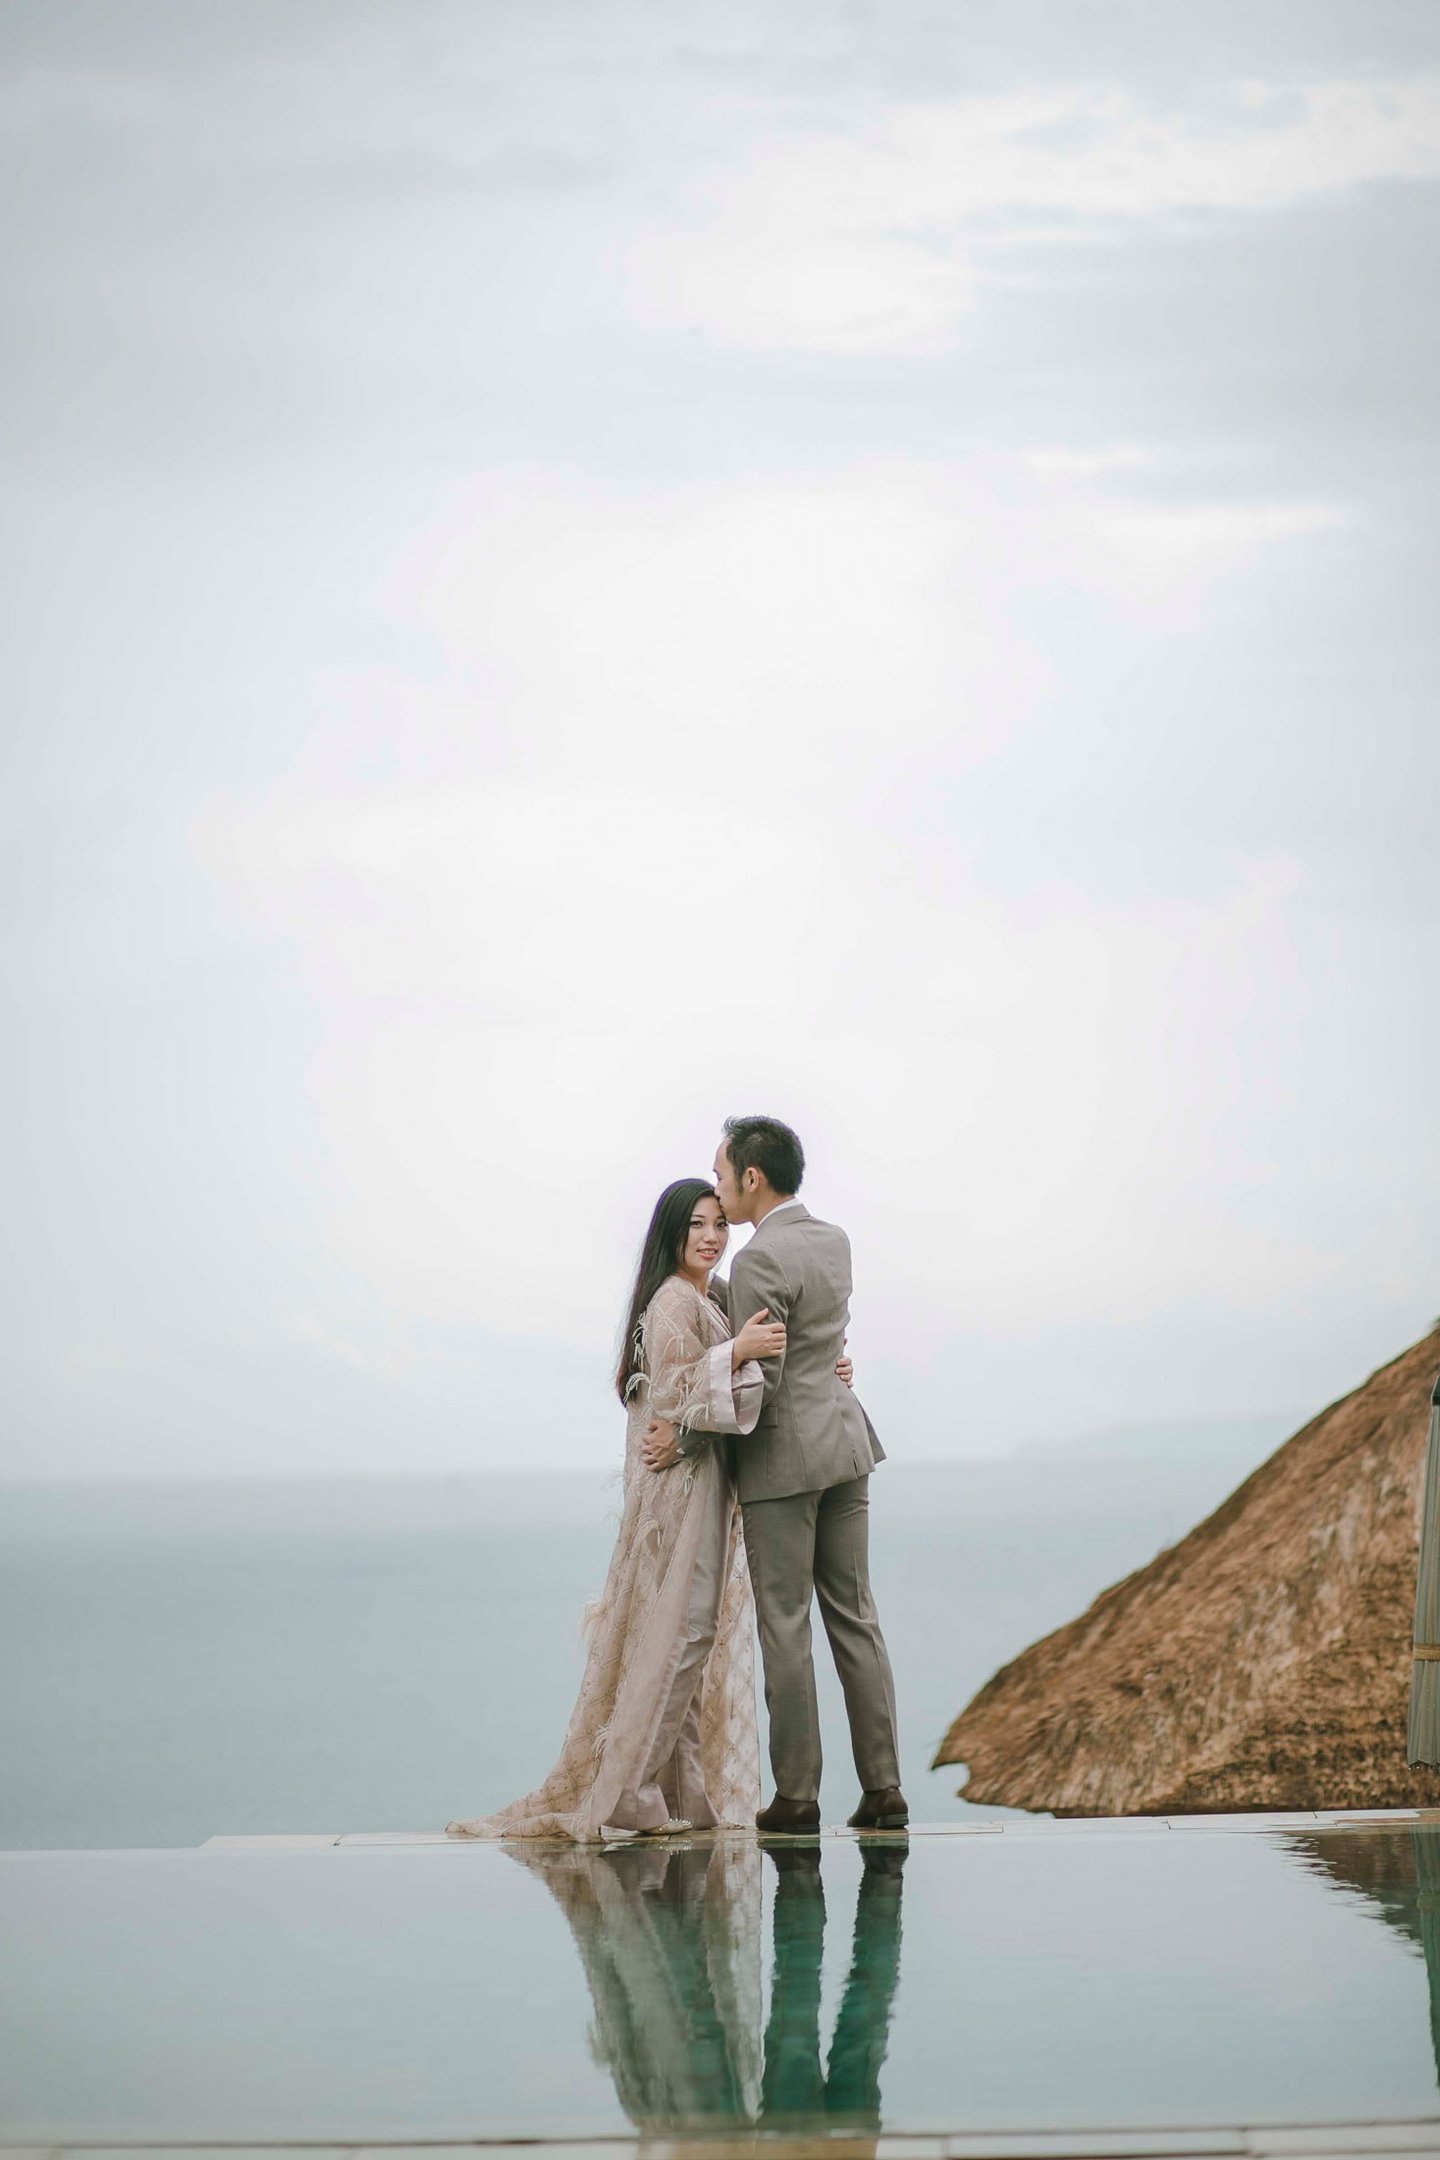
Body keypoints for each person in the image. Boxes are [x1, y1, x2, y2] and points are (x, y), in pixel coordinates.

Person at [446, 1176, 845, 1841]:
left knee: (693, 1637)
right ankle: (629, 1790)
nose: (712, 1236)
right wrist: (735, 1352)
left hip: (702, 1479)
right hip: (679, 1487)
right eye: (697, 1224)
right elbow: (674, 1389)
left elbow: (758, 1377)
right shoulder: (670, 1303)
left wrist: (824, 1373)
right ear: (670, 1233)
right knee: (683, 1634)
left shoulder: (707, 1298)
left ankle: (681, 1793)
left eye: (719, 1224)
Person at [643, 1116, 906, 1832]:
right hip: (848, 1446)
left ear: (751, 1177)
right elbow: (826, 1345)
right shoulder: (835, 1241)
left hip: (786, 1462)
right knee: (856, 1618)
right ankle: (885, 1790)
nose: (720, 1193)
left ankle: (798, 1797)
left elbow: (762, 1383)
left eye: (723, 1176)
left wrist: (685, 1429)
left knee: (787, 1626)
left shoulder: (759, 1261)